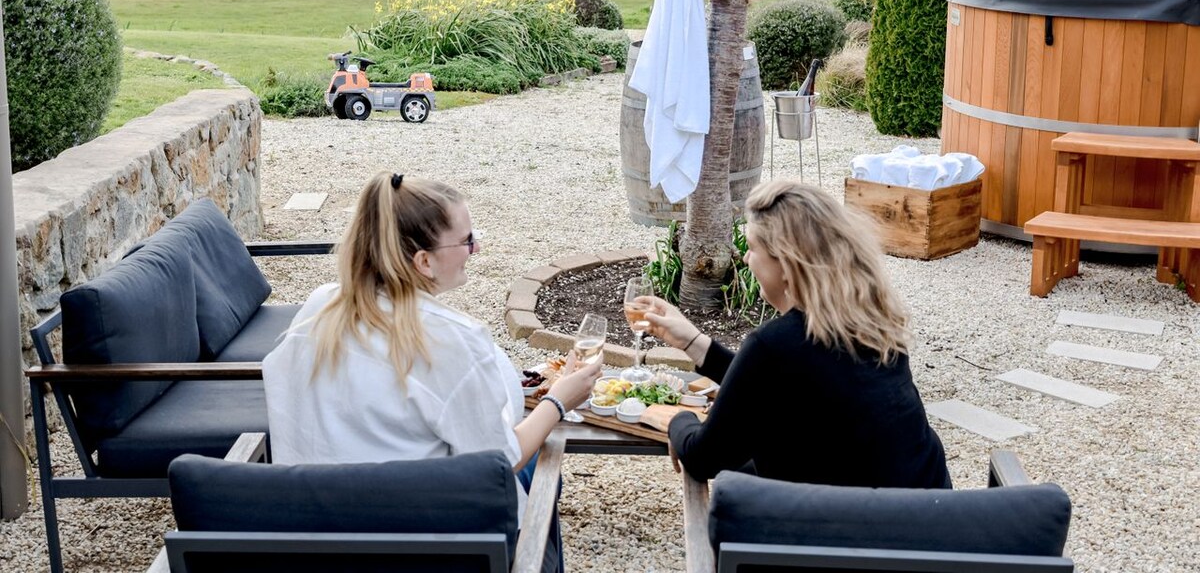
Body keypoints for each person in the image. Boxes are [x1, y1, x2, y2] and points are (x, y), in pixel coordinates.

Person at [263, 171, 600, 572]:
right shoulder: (447, 340)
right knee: (540, 469)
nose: (476, 248)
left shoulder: (320, 307)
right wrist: (558, 401)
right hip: (427, 547)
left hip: (316, 540)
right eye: (467, 240)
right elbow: (497, 462)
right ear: (424, 261)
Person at [640, 179, 951, 489]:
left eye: (752, 248)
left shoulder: (775, 345)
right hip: (928, 508)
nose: (745, 259)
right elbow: (774, 382)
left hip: (845, 517)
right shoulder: (871, 321)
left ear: (786, 263)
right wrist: (693, 343)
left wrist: (678, 420)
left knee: (736, 477)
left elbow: (705, 458)